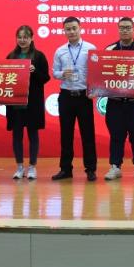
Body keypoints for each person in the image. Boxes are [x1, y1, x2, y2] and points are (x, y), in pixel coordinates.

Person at [103, 17, 134, 182]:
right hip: (115, 102)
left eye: (128, 27)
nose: (125, 30)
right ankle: (115, 166)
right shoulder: (109, 50)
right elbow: (102, 74)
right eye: (122, 27)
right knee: (116, 135)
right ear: (118, 30)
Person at [51, 16, 98, 181]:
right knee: (66, 134)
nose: (71, 32)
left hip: (84, 96)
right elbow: (54, 72)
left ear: (80, 28)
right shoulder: (60, 51)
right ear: (64, 31)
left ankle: (90, 169)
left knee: (88, 134)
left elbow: (96, 72)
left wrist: (94, 90)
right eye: (68, 29)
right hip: (66, 96)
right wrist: (62, 74)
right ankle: (65, 169)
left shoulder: (90, 49)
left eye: (74, 28)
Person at [5, 25, 50, 180]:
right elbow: (5, 78)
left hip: (32, 102)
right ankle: (19, 167)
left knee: (33, 134)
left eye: (25, 37)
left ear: (32, 38)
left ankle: (32, 167)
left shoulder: (39, 56)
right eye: (19, 37)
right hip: (15, 103)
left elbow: (45, 78)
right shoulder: (11, 56)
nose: (22, 40)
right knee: (17, 135)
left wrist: (34, 71)